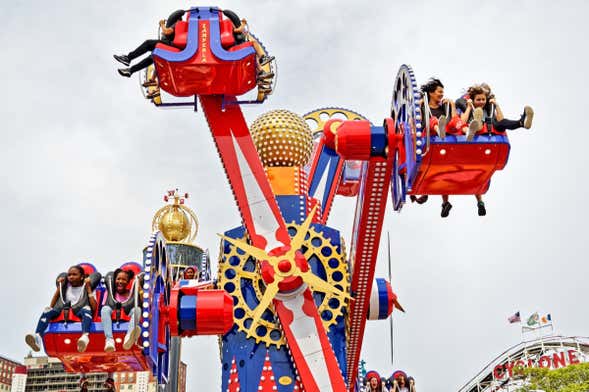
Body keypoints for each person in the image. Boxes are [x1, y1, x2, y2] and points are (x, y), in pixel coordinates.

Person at [25, 265, 98, 353]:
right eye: (69, 275)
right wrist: (60, 287)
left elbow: (94, 308)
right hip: (64, 310)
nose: (71, 277)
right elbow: (53, 304)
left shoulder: (87, 287)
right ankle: (38, 337)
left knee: (87, 308)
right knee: (47, 309)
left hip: (79, 310)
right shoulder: (66, 288)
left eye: (74, 275)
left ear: (82, 277)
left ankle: (85, 336)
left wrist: (89, 289)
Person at [114, 9, 186, 77]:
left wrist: (162, 24)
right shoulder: (181, 27)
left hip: (170, 45)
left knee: (148, 43)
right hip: (173, 48)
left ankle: (128, 58)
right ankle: (130, 70)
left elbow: (166, 32)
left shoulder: (177, 23)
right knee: (151, 58)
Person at [101, 268, 142, 352]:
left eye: (124, 279)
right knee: (105, 309)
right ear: (114, 280)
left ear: (128, 282)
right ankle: (109, 340)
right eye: (118, 279)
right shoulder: (109, 293)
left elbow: (144, 304)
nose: (120, 281)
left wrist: (139, 289)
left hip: (127, 315)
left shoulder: (131, 293)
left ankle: (129, 337)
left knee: (137, 309)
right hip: (113, 316)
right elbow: (104, 307)